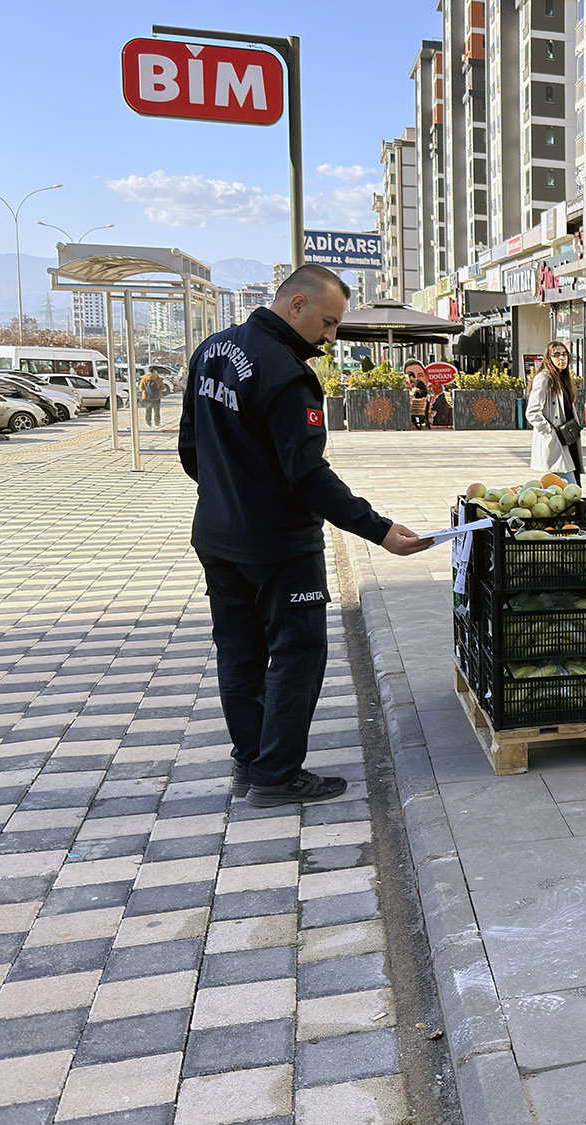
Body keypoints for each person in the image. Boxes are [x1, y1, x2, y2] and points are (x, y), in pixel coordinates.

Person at [179, 264, 432, 807]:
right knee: (298, 652)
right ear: (297, 304)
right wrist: (379, 530)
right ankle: (276, 774)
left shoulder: (210, 351)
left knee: (239, 651)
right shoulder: (286, 373)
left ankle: (251, 758)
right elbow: (309, 476)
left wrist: (229, 494)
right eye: (328, 322)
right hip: (279, 545)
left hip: (217, 535)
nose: (330, 336)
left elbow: (190, 450)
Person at [527, 339, 585, 483]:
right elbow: (532, 412)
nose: (562, 358)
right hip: (557, 440)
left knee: (570, 484)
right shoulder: (544, 378)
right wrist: (550, 432)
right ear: (549, 358)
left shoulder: (563, 378)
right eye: (557, 355)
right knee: (569, 486)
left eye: (564, 354)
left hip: (569, 438)